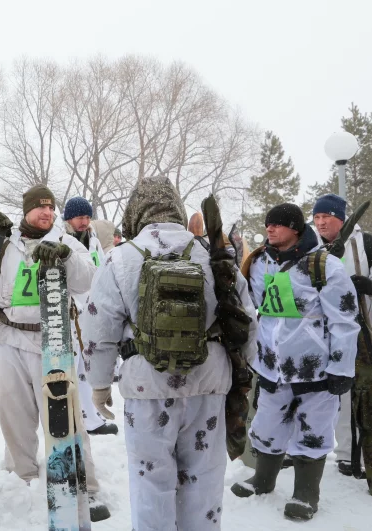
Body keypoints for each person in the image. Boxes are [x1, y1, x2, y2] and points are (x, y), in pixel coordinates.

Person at [82, 177, 257, 530]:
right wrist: (247, 375)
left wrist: (99, 385)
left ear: (136, 212)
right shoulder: (212, 254)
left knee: (151, 483)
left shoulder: (120, 257)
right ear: (176, 208)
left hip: (147, 388)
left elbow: (97, 329)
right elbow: (247, 320)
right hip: (209, 384)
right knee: (204, 482)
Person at [0, 185, 109, 521]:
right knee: (15, 416)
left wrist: (67, 258)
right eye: (40, 207)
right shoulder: (5, 245)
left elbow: (90, 281)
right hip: (10, 338)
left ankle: (86, 487)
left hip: (52, 341)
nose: (47, 213)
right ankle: (22, 478)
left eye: (51, 208)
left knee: (66, 418)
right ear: (26, 210)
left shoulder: (64, 241)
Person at [230, 203, 359, 520]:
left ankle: (305, 493)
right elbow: (251, 307)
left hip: (313, 367)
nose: (270, 228)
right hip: (271, 365)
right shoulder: (258, 262)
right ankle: (263, 479)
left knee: (312, 430)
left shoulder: (323, 265)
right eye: (268, 224)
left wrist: (341, 368)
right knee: (267, 424)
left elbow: (345, 320)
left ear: (296, 228)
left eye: (278, 224)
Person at [312, 193, 372, 482]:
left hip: (364, 329)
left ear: (341, 218)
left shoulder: (366, 244)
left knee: (363, 393)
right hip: (323, 331)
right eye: (317, 218)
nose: (321, 222)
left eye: (327, 217)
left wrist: (368, 286)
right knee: (339, 393)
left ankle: (364, 454)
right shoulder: (311, 248)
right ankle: (347, 452)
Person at [63, 197, 118, 437]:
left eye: (87, 217)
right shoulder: (61, 240)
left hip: (91, 309)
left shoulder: (93, 239)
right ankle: (73, 418)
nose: (84, 222)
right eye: (79, 217)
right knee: (71, 368)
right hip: (70, 311)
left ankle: (90, 417)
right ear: (69, 218)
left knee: (86, 364)